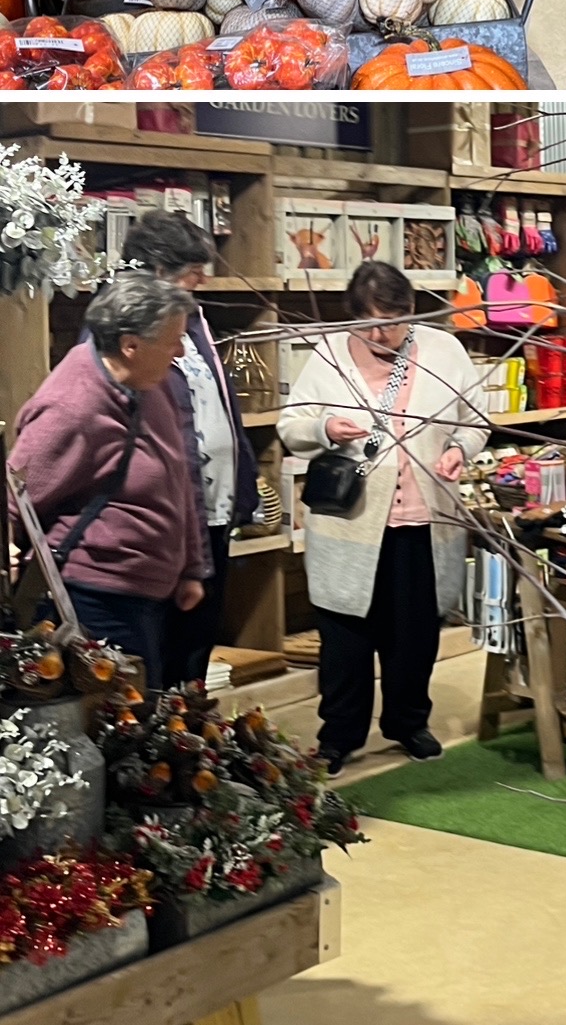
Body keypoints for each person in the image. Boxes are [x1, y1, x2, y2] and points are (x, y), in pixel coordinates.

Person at [278, 261, 490, 774]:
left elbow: (475, 417)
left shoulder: (443, 350)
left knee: (415, 635)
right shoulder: (329, 357)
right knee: (345, 639)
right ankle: (339, 736)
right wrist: (327, 427)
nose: (380, 334)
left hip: (424, 520)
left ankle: (409, 723)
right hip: (349, 525)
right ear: (352, 318)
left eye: (393, 322)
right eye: (369, 323)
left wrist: (459, 448)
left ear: (411, 313)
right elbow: (291, 425)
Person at [9, 272, 208, 688]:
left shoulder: (152, 383)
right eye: (172, 340)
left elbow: (177, 479)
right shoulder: (72, 408)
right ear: (130, 345)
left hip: (150, 592)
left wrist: (190, 566)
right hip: (93, 596)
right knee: (116, 721)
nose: (181, 351)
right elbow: (17, 495)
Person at [118, 212, 263, 686]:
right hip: (166, 515)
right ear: (157, 270)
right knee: (163, 639)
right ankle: (159, 742)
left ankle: (192, 732)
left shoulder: (193, 318)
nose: (202, 280)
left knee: (201, 632)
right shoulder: (124, 327)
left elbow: (218, 401)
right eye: (191, 272)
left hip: (213, 509)